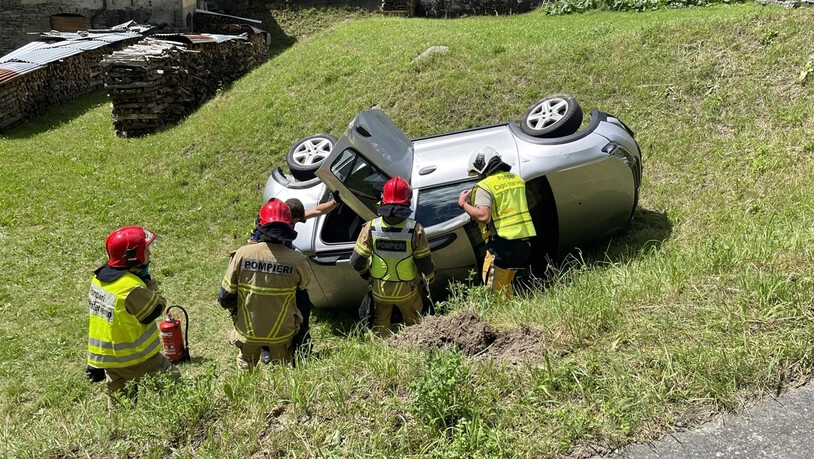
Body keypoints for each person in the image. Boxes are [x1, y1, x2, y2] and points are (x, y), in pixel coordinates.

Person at [87, 226, 180, 405]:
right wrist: (148, 283)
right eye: (146, 250)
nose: (150, 254)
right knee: (174, 387)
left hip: (109, 359)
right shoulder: (130, 288)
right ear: (133, 257)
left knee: (121, 401)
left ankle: (120, 430)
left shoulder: (98, 280)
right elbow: (153, 309)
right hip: (135, 357)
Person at [218, 199, 312, 369]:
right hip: (281, 334)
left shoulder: (241, 255)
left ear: (260, 225)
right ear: (289, 227)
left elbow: (224, 298)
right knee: (282, 372)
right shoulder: (297, 261)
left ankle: (247, 393)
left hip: (248, 331)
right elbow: (302, 292)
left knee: (246, 366)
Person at [350, 176, 435, 337]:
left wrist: (366, 273)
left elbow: (356, 260)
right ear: (407, 201)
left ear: (383, 199)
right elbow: (424, 263)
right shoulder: (415, 229)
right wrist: (430, 278)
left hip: (380, 290)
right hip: (406, 290)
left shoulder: (371, 227)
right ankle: (414, 349)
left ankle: (382, 352)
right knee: (415, 324)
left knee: (380, 324)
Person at [458, 145, 536, 300]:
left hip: (502, 246)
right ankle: (510, 319)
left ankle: (498, 321)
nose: (478, 176)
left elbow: (483, 216)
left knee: (493, 293)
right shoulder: (517, 180)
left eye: (477, 173)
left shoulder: (485, 186)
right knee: (506, 288)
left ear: (482, 166)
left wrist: (463, 204)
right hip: (524, 245)